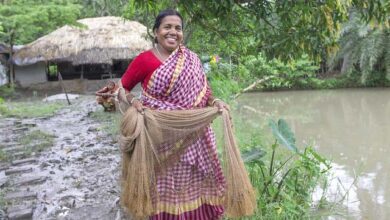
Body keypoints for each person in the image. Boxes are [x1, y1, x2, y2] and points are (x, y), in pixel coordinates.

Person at [119, 9, 232, 220]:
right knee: (162, 185)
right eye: (167, 27)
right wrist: (134, 102)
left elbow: (204, 93)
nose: (173, 32)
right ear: (156, 32)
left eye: (178, 28)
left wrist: (216, 102)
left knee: (195, 183)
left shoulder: (192, 60)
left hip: (194, 136)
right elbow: (122, 88)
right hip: (160, 138)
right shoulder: (144, 60)